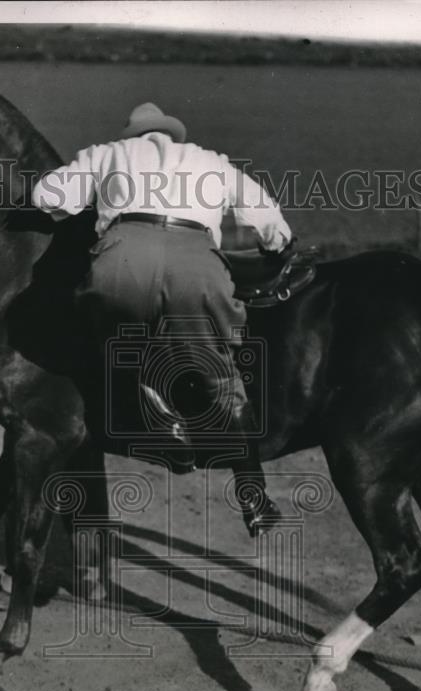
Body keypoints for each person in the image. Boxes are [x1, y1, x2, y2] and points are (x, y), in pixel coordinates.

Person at [31, 102, 293, 537]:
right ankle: (254, 497)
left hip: (122, 258)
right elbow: (265, 215)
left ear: (133, 135)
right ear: (173, 136)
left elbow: (46, 199)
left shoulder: (106, 153)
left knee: (113, 343)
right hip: (196, 263)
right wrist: (279, 242)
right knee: (224, 378)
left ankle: (157, 411)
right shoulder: (210, 160)